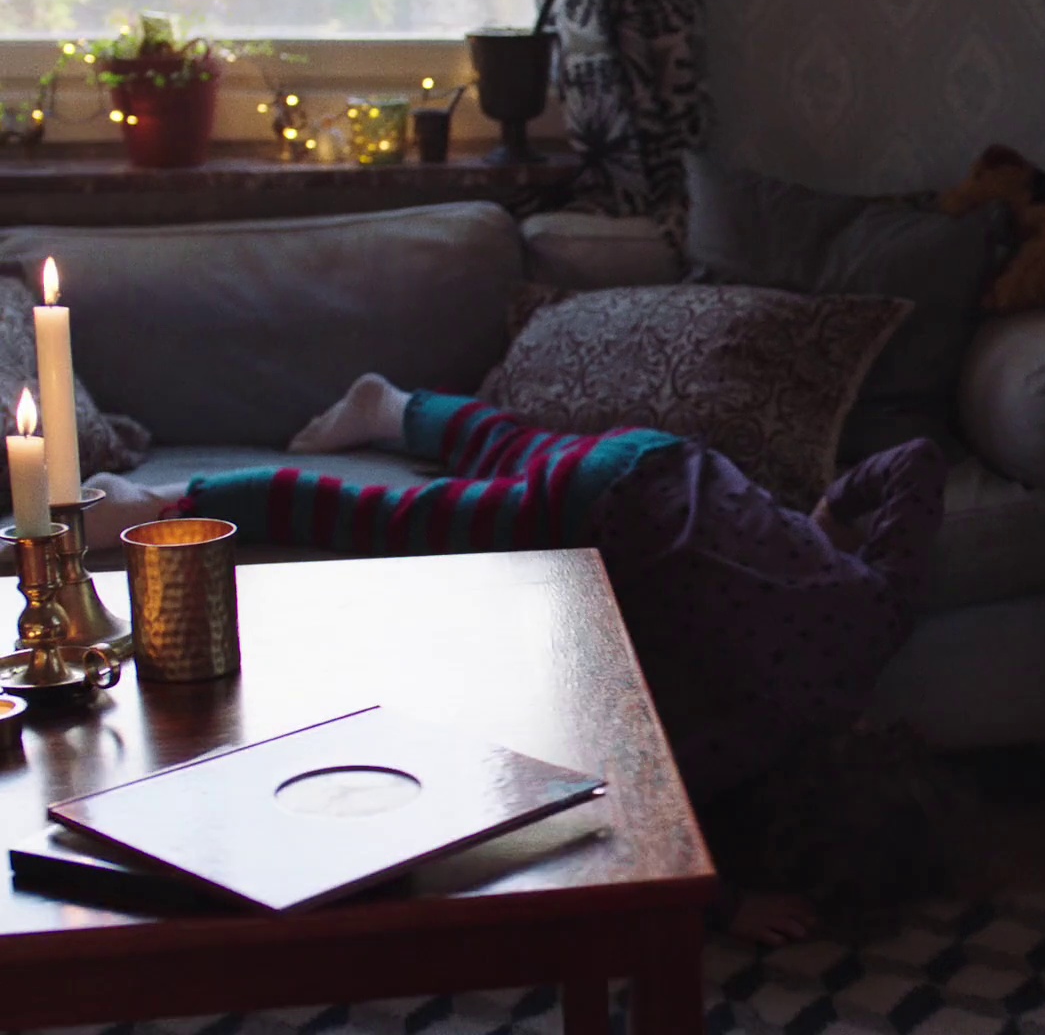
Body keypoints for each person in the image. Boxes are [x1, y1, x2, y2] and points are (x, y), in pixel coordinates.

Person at [88, 374, 949, 944]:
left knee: (508, 443)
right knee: (385, 520)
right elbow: (642, 805)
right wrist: (731, 906)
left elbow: (916, 461)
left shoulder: (881, 612)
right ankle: (163, 505)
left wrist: (827, 518)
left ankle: (394, 406)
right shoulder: (744, 737)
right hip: (584, 520)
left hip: (658, 461)